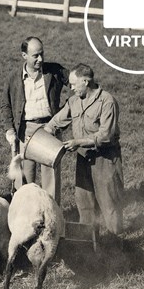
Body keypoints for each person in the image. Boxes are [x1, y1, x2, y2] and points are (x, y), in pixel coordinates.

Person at [44, 63, 124, 235]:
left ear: (86, 82)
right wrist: (42, 134)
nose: (71, 88)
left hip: (105, 159)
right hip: (83, 159)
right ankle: (89, 241)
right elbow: (56, 122)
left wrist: (77, 142)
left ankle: (117, 243)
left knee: (110, 202)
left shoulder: (107, 101)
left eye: (73, 84)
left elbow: (106, 136)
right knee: (84, 202)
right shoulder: (73, 101)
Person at [1, 36, 69, 203]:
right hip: (26, 130)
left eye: (42, 54)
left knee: (51, 178)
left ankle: (52, 218)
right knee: (24, 180)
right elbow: (5, 105)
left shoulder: (54, 71)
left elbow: (77, 82)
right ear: (24, 55)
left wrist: (66, 111)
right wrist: (10, 129)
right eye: (35, 56)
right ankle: (26, 218)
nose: (41, 59)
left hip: (50, 129)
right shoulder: (14, 78)